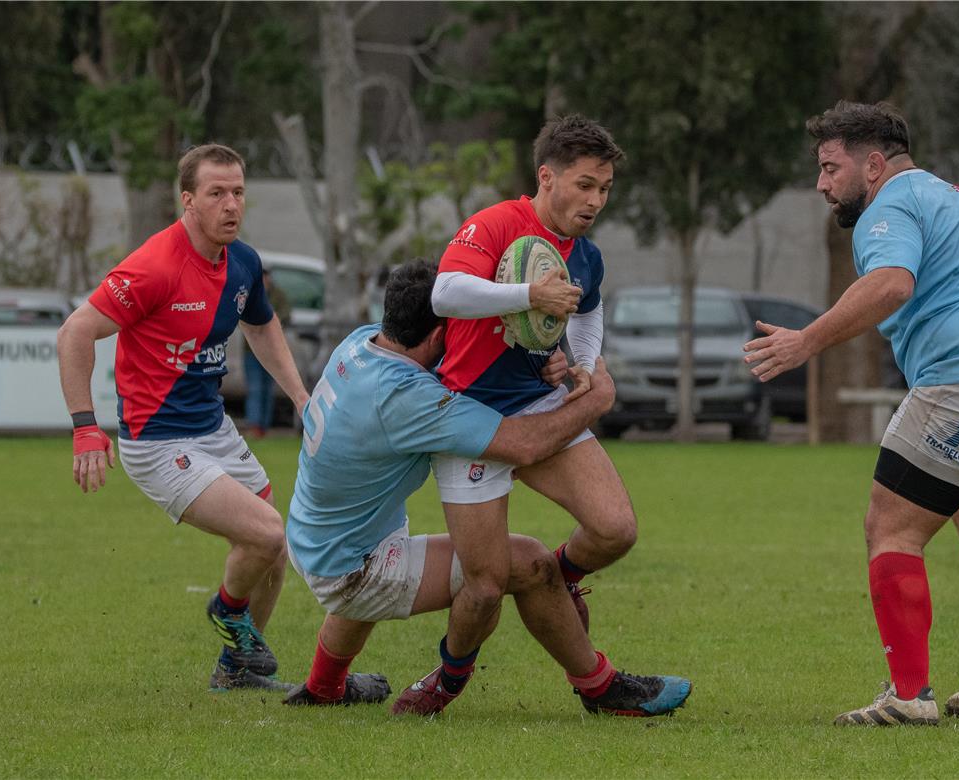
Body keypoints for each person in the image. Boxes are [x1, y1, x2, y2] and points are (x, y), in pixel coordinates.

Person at [742, 101, 959, 726]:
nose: (821, 184)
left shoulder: (889, 205)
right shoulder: (948, 196)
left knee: (890, 528)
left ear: (873, 164)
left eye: (829, 168)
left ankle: (908, 696)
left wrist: (805, 341)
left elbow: (893, 284)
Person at [282, 260, 690, 718]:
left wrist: (540, 363)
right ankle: (602, 688)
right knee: (528, 564)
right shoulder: (406, 398)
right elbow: (523, 444)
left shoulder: (361, 341)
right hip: (352, 566)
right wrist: (595, 400)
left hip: (313, 533)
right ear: (440, 335)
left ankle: (323, 687)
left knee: (374, 558)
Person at [57, 143, 310, 692]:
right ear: (188, 200)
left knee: (274, 552)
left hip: (213, 427)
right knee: (267, 533)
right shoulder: (154, 266)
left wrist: (300, 396)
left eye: (238, 192)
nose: (230, 205)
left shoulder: (243, 261)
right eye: (216, 193)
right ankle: (226, 610)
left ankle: (237, 670)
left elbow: (262, 326)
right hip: (157, 441)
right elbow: (75, 331)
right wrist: (84, 426)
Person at [428, 115, 631, 656]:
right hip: (468, 413)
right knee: (488, 584)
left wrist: (583, 360)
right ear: (547, 177)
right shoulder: (496, 223)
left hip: (538, 405)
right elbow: (445, 293)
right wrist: (528, 296)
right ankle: (446, 679)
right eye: (584, 185)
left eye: (605, 189)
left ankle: (562, 575)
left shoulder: (585, 254)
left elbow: (588, 310)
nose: (595, 200)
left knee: (615, 530)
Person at [242, 268, 292, 438]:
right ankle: (255, 425)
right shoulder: (248, 292)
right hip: (251, 351)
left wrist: (269, 322)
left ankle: (264, 425)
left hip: (273, 351)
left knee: (268, 390)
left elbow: (285, 315)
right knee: (255, 388)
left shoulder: (278, 296)